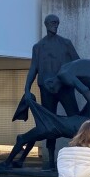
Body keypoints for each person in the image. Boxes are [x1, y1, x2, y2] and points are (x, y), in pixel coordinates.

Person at [21, 14, 81, 168]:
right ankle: (50, 160)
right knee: (48, 123)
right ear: (46, 24)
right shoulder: (38, 47)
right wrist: (27, 89)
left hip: (65, 88)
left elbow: (78, 64)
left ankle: (81, 155)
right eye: (53, 22)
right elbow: (33, 69)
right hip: (46, 89)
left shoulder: (66, 44)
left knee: (76, 119)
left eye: (57, 22)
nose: (56, 25)